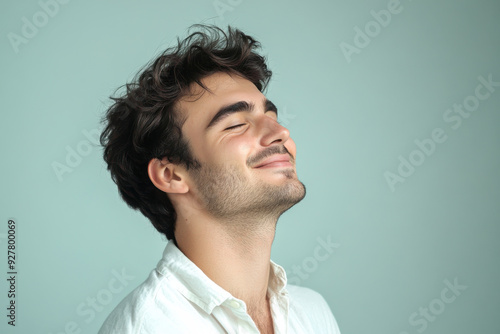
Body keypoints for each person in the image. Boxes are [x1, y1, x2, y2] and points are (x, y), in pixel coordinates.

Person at [98, 24, 341, 334]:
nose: (280, 133)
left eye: (272, 117)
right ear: (171, 175)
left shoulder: (312, 312)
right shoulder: (151, 327)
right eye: (236, 124)